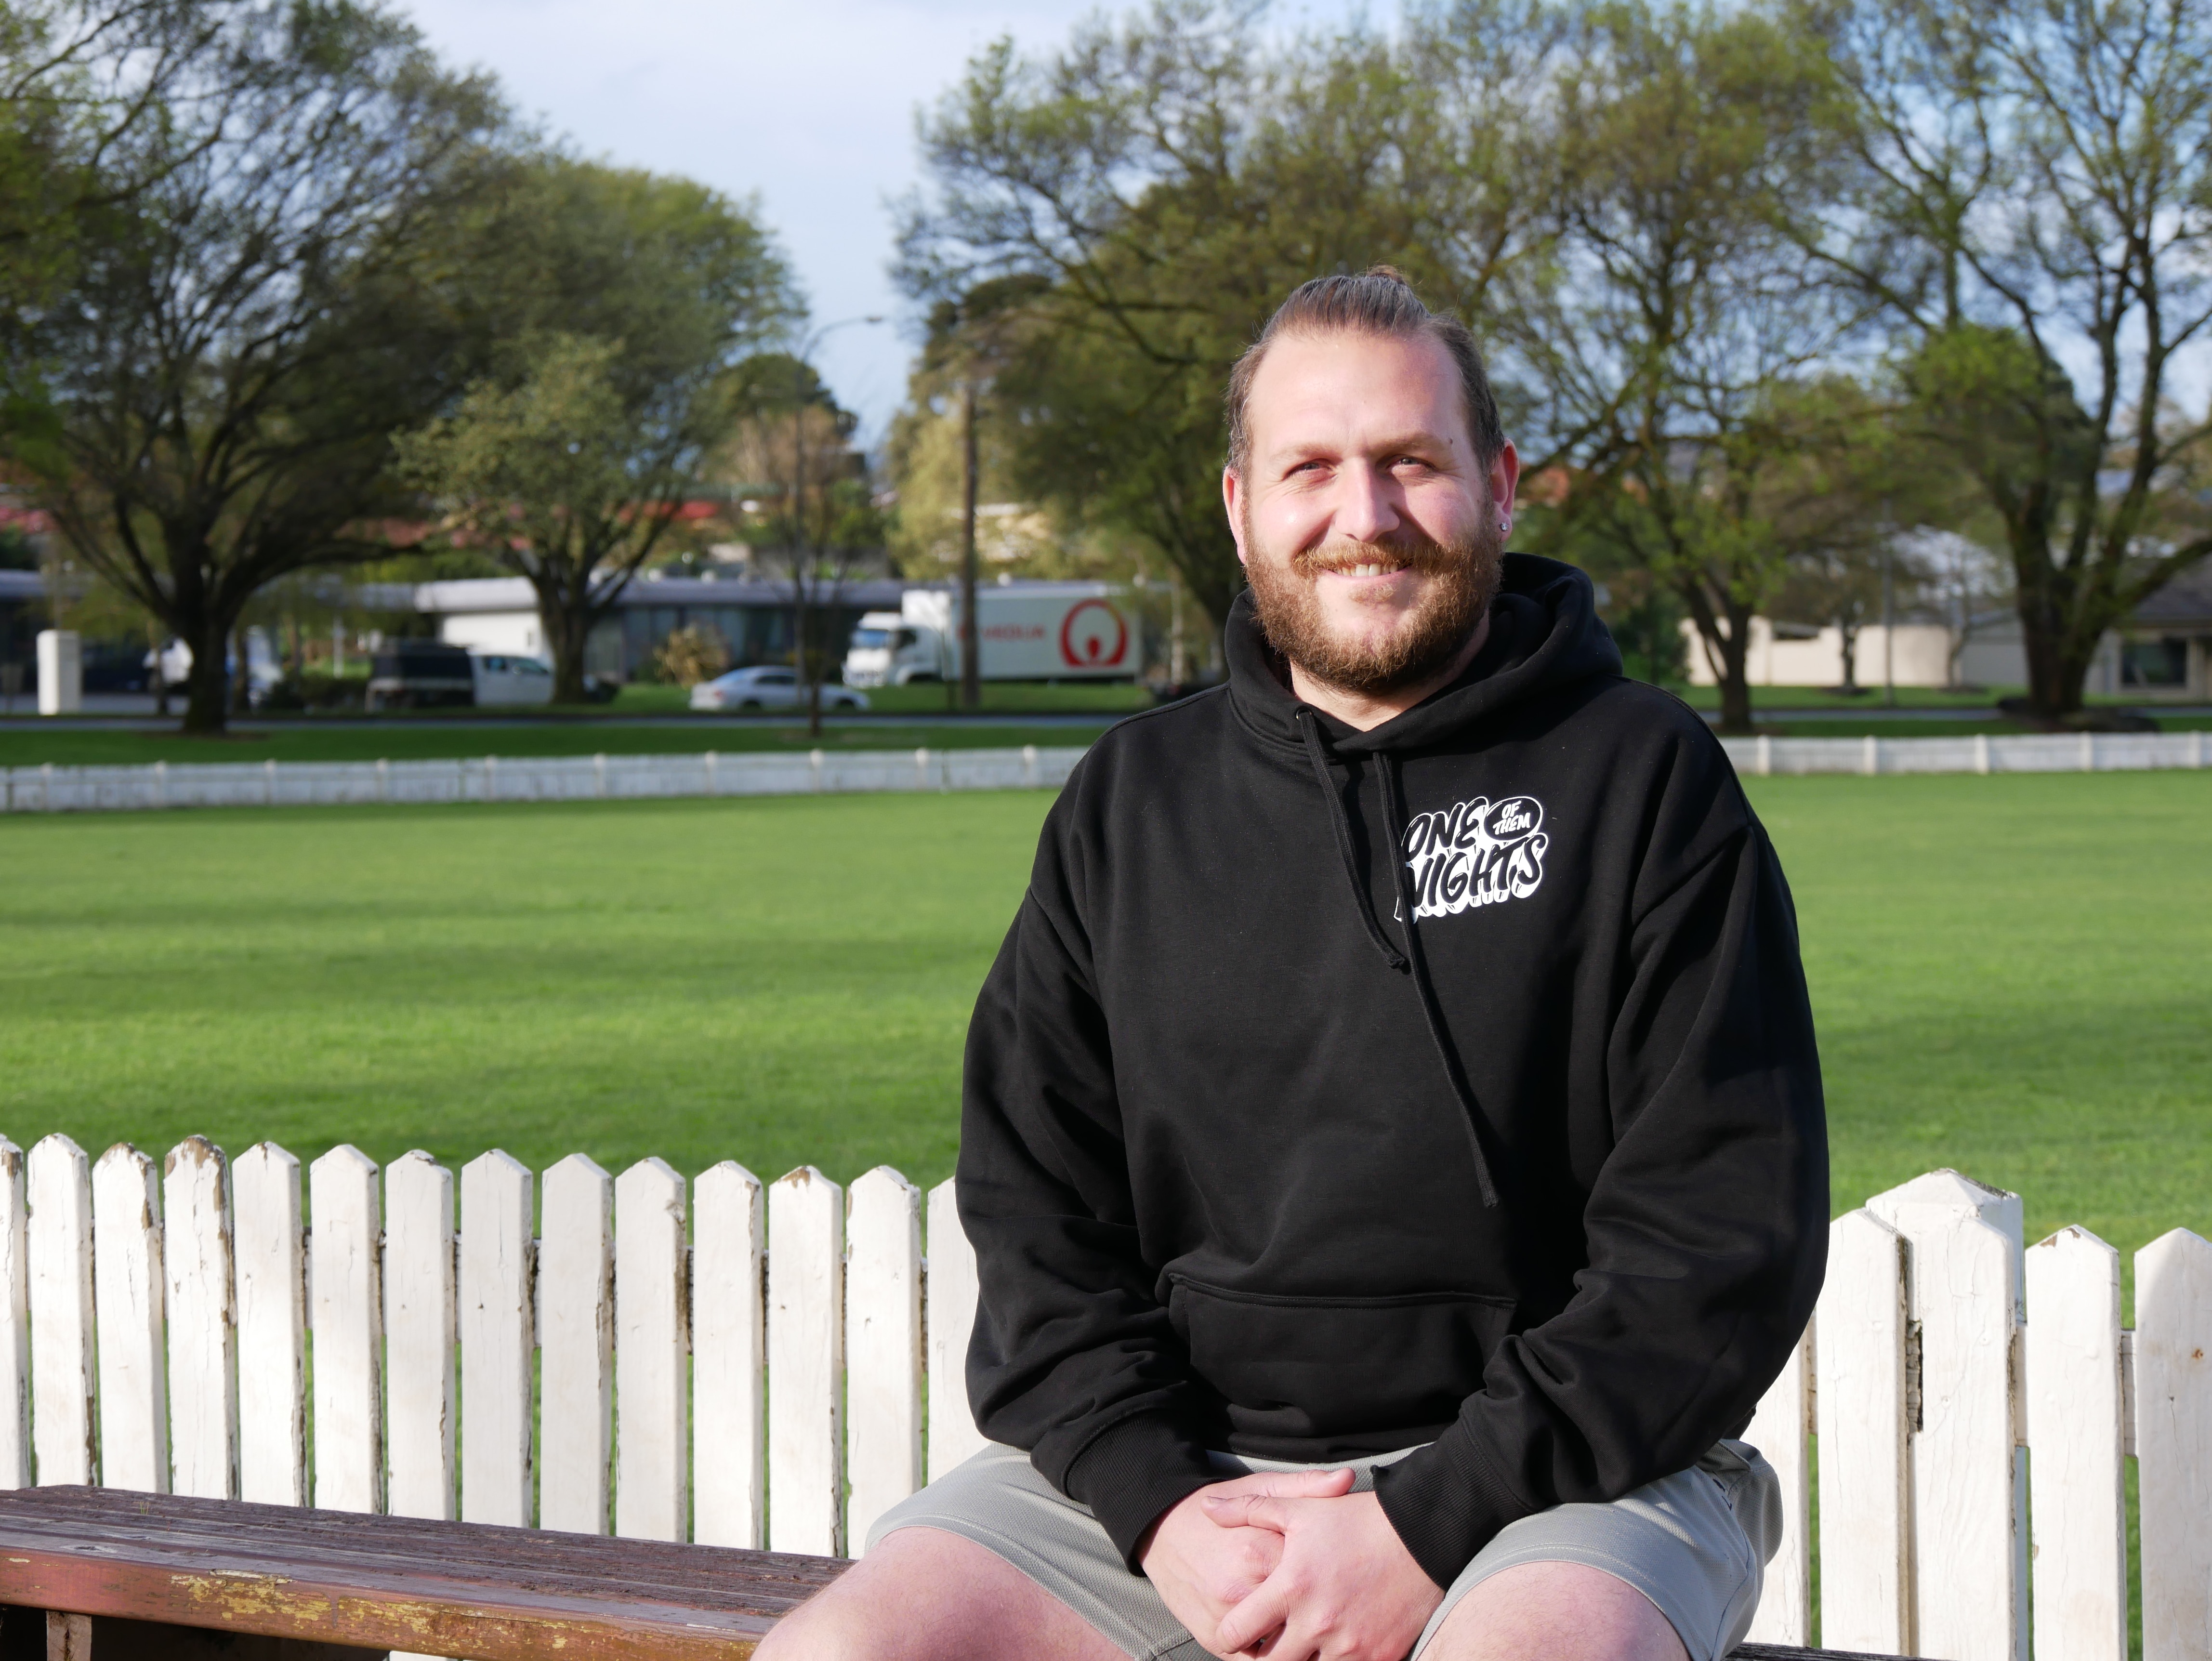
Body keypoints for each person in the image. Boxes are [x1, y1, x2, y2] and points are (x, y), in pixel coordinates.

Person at [759, 267, 1828, 1661]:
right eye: (1310, 468)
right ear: (1239, 506)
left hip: (1568, 1485)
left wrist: (1422, 1525)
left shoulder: (1644, 780)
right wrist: (1161, 1507)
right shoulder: (1130, 802)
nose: (1363, 517)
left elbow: (1714, 1245)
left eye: (1411, 464)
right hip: (1179, 1481)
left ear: (1499, 485)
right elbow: (1036, 1212)